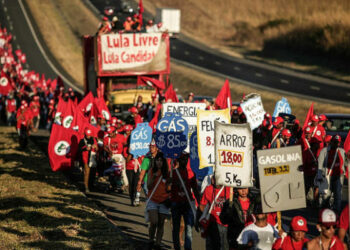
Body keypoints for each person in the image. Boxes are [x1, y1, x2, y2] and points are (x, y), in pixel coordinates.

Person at [137, 139, 170, 250]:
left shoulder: (167, 173)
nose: (159, 162)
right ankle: (151, 239)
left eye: (161, 160)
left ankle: (157, 243)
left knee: (161, 224)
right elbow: (149, 186)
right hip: (153, 200)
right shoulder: (151, 171)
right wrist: (154, 176)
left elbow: (169, 188)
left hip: (164, 201)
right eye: (158, 160)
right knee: (154, 221)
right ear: (155, 162)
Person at [170, 152, 200, 250]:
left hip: (187, 203)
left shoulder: (191, 173)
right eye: (182, 159)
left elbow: (195, 189)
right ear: (178, 160)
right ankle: (177, 247)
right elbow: (167, 189)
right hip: (175, 203)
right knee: (176, 228)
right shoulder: (173, 173)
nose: (184, 161)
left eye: (186, 159)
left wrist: (199, 203)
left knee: (189, 229)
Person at [316, 135, 345, 214]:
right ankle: (322, 211)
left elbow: (344, 163)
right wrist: (319, 175)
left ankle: (337, 212)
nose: (337, 144)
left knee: (338, 195)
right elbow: (320, 164)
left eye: (338, 143)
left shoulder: (342, 151)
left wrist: (344, 172)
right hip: (327, 176)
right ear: (331, 142)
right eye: (335, 142)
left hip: (338, 176)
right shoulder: (324, 151)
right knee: (325, 195)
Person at [199, 178, 230, 250]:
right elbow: (202, 205)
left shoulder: (229, 189)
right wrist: (206, 216)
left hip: (226, 225)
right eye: (213, 178)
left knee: (225, 247)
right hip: (212, 224)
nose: (214, 180)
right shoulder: (208, 189)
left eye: (217, 178)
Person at [78, 128, 97, 193]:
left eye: (89, 135)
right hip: (85, 157)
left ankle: (91, 185)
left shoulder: (94, 140)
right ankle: (86, 186)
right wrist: (85, 148)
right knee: (87, 172)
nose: (88, 136)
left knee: (93, 172)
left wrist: (95, 147)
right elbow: (79, 149)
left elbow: (97, 148)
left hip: (92, 157)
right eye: (87, 135)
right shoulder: (82, 141)